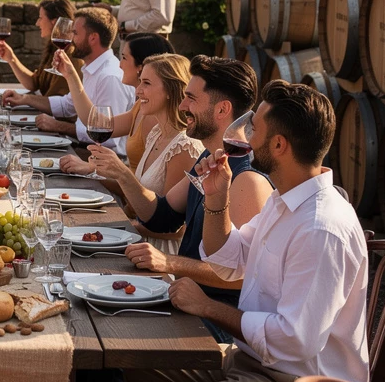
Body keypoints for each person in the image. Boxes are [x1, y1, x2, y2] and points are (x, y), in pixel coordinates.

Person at [128, 81, 369, 382]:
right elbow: (229, 258)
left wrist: (206, 306)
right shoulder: (285, 199)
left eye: (253, 127)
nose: (243, 134)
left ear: (278, 146)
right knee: (130, 365)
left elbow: (294, 340)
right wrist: (217, 197)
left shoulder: (321, 228)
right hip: (253, 365)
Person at [89, 56, 272, 337]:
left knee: (107, 331)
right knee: (95, 309)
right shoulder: (210, 157)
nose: (183, 106)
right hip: (181, 300)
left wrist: (169, 262)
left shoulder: (247, 180)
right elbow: (161, 217)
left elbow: (241, 276)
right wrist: (123, 175)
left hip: (214, 320)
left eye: (191, 99)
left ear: (222, 109)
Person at [61, 51, 201, 250]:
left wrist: (119, 225)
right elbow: (139, 194)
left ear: (170, 90)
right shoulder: (156, 134)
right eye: (140, 82)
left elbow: (175, 229)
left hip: (157, 254)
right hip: (135, 242)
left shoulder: (185, 147)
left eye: (147, 83)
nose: (138, 91)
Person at [1, 7, 134, 153]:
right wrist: (25, 98)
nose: (70, 38)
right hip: (83, 150)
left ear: (93, 38)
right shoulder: (92, 69)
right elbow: (67, 105)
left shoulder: (110, 78)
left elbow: (107, 138)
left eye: (75, 33)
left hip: (98, 158)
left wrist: (58, 126)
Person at [56, 32, 174, 174]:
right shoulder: (141, 107)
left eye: (124, 58)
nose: (119, 64)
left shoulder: (155, 116)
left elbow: (146, 184)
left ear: (141, 67)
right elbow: (98, 124)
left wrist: (92, 169)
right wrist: (70, 75)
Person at [0, 0, 76, 97]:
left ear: (54, 22)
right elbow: (34, 83)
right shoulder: (53, 49)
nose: (37, 23)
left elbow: (56, 100)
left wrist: (23, 99)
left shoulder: (70, 55)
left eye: (40, 18)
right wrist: (11, 59)